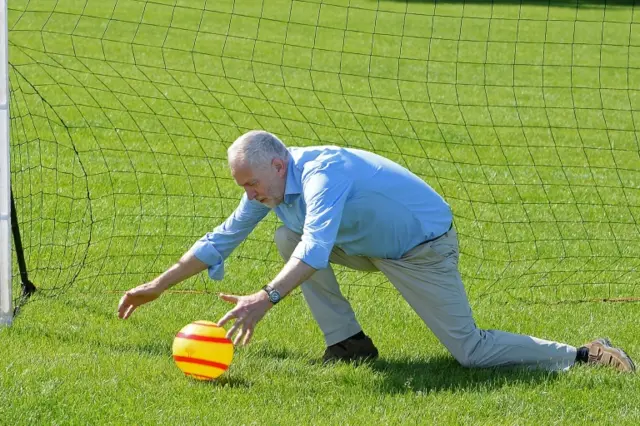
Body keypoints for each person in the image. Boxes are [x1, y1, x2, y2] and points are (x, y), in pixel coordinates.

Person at [118, 130, 635, 372]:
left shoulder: (323, 175)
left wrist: (263, 299)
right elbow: (222, 236)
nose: (248, 194)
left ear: (278, 166)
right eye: (244, 186)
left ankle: (585, 354)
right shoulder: (270, 188)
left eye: (251, 183)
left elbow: (317, 250)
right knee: (283, 236)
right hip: (370, 244)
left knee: (471, 353)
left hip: (422, 250)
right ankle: (349, 345)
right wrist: (157, 286)